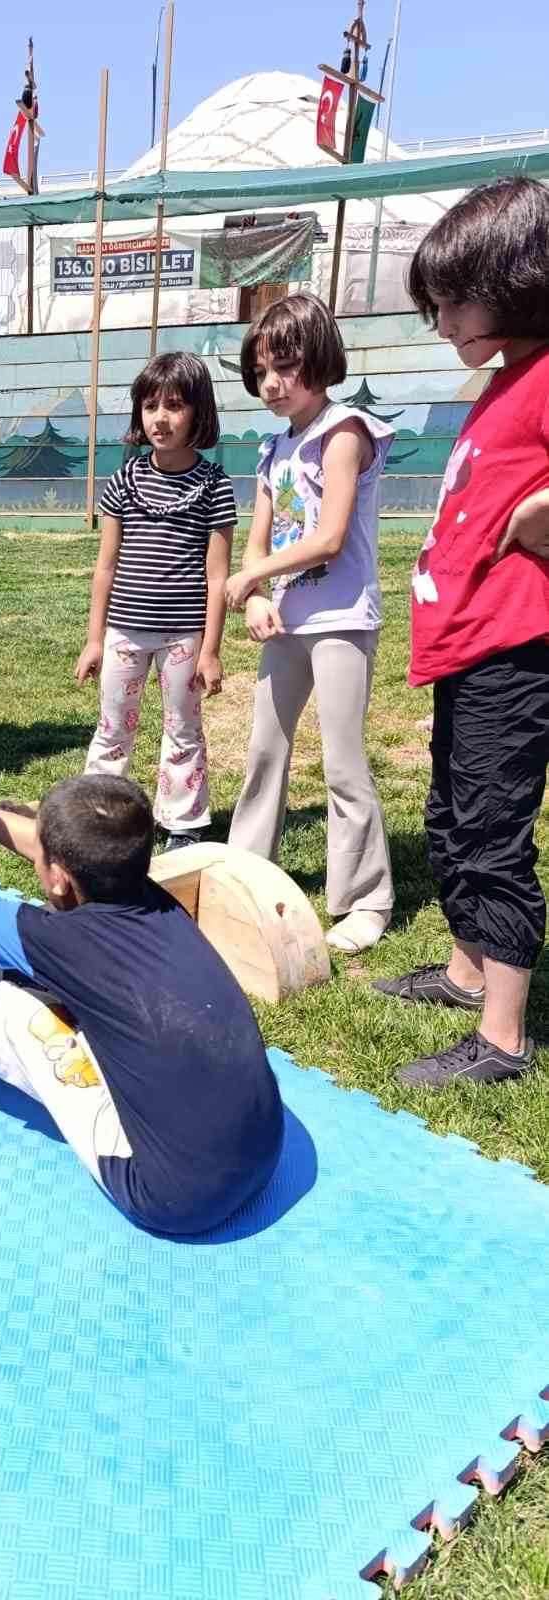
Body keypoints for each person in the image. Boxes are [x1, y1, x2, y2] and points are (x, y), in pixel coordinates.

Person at [0, 776, 285, 1238]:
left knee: (16, 1011)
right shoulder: (151, 896)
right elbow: (70, 848)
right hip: (264, 1155)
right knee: (55, 990)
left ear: (57, 876)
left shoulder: (58, 940)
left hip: (173, 1198)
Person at [372, 176, 549, 1088]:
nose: (440, 321)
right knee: (449, 816)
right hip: (469, 647)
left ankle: (505, 1038)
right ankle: (466, 970)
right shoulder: (509, 380)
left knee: (490, 831)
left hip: (515, 650)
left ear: (518, 280)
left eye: (450, 302)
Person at [225, 293, 395, 955]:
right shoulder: (272, 448)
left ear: (319, 360)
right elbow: (256, 542)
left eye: (286, 365)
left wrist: (251, 576)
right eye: (262, 368)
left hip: (342, 620)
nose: (271, 381)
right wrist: (258, 592)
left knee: (344, 764)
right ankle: (246, 871)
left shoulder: (344, 432)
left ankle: (366, 900)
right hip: (287, 625)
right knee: (265, 749)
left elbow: (328, 538)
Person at [74, 352, 236, 850]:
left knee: (183, 729)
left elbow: (218, 575)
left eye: (174, 406)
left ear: (199, 414)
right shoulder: (123, 482)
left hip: (183, 638)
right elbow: (105, 566)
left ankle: (184, 824)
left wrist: (210, 650)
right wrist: (94, 640)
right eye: (149, 406)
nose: (160, 418)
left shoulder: (215, 487)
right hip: (124, 631)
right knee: (112, 728)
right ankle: (98, 817)